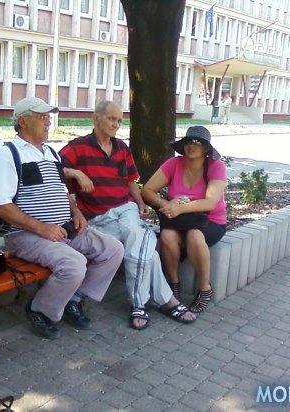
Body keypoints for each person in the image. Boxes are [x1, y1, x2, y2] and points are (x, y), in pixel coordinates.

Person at [0, 97, 124, 339]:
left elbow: (63, 191)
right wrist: (41, 228)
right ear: (22, 121)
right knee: (74, 264)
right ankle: (40, 309)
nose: (48, 122)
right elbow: (0, 205)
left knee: (113, 250)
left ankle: (74, 299)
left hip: (64, 229)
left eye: (48, 117)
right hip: (25, 235)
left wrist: (76, 212)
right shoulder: (8, 154)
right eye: (42, 117)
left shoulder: (50, 153)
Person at [59, 100, 196, 330]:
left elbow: (130, 181)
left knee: (134, 232)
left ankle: (140, 303)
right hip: (98, 218)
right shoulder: (77, 147)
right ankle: (163, 301)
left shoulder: (122, 148)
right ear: (96, 118)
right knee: (144, 249)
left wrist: (141, 203)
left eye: (119, 120)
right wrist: (76, 173)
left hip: (126, 209)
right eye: (111, 119)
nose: (116, 124)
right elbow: (52, 169)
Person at [141, 126, 227, 314]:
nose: (191, 146)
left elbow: (210, 202)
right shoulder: (174, 163)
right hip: (180, 221)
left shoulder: (216, 166)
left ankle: (204, 288)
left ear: (206, 148)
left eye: (198, 142)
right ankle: (173, 284)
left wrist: (180, 208)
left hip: (211, 220)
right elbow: (147, 190)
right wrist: (166, 203)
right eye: (188, 141)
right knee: (167, 236)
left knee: (194, 236)